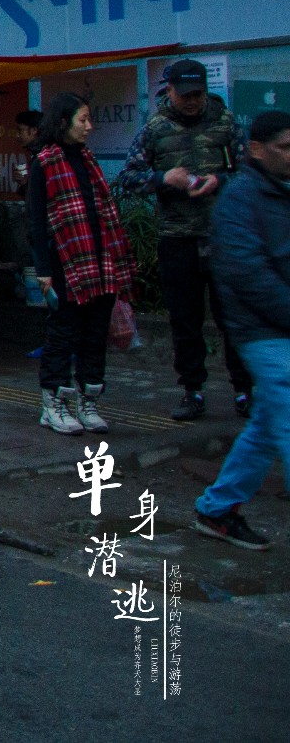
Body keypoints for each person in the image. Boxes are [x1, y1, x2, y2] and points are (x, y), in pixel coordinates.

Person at [117, 58, 252, 420]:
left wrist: (220, 182)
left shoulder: (226, 123)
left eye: (199, 94)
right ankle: (192, 391)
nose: (193, 101)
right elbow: (128, 177)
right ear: (170, 90)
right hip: (177, 238)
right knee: (185, 320)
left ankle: (244, 391)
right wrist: (164, 180)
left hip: (224, 238)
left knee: (233, 317)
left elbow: (250, 173)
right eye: (185, 94)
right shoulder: (154, 129)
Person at [191, 111, 290, 550]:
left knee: (270, 424)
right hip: (263, 331)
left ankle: (216, 510)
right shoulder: (240, 199)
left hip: (279, 327)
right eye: (285, 147)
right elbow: (249, 274)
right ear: (256, 149)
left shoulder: (281, 193)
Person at [27, 93, 135, 436]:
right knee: (63, 334)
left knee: (94, 336)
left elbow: (103, 210)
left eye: (89, 120)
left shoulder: (88, 159)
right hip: (65, 264)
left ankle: (88, 404)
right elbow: (35, 221)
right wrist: (43, 270)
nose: (90, 127)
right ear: (63, 123)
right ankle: (53, 405)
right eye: (83, 120)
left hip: (101, 263)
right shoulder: (44, 162)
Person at [13, 110, 43, 194]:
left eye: (20, 130)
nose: (18, 135)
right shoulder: (36, 155)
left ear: (34, 130)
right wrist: (24, 183)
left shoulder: (44, 158)